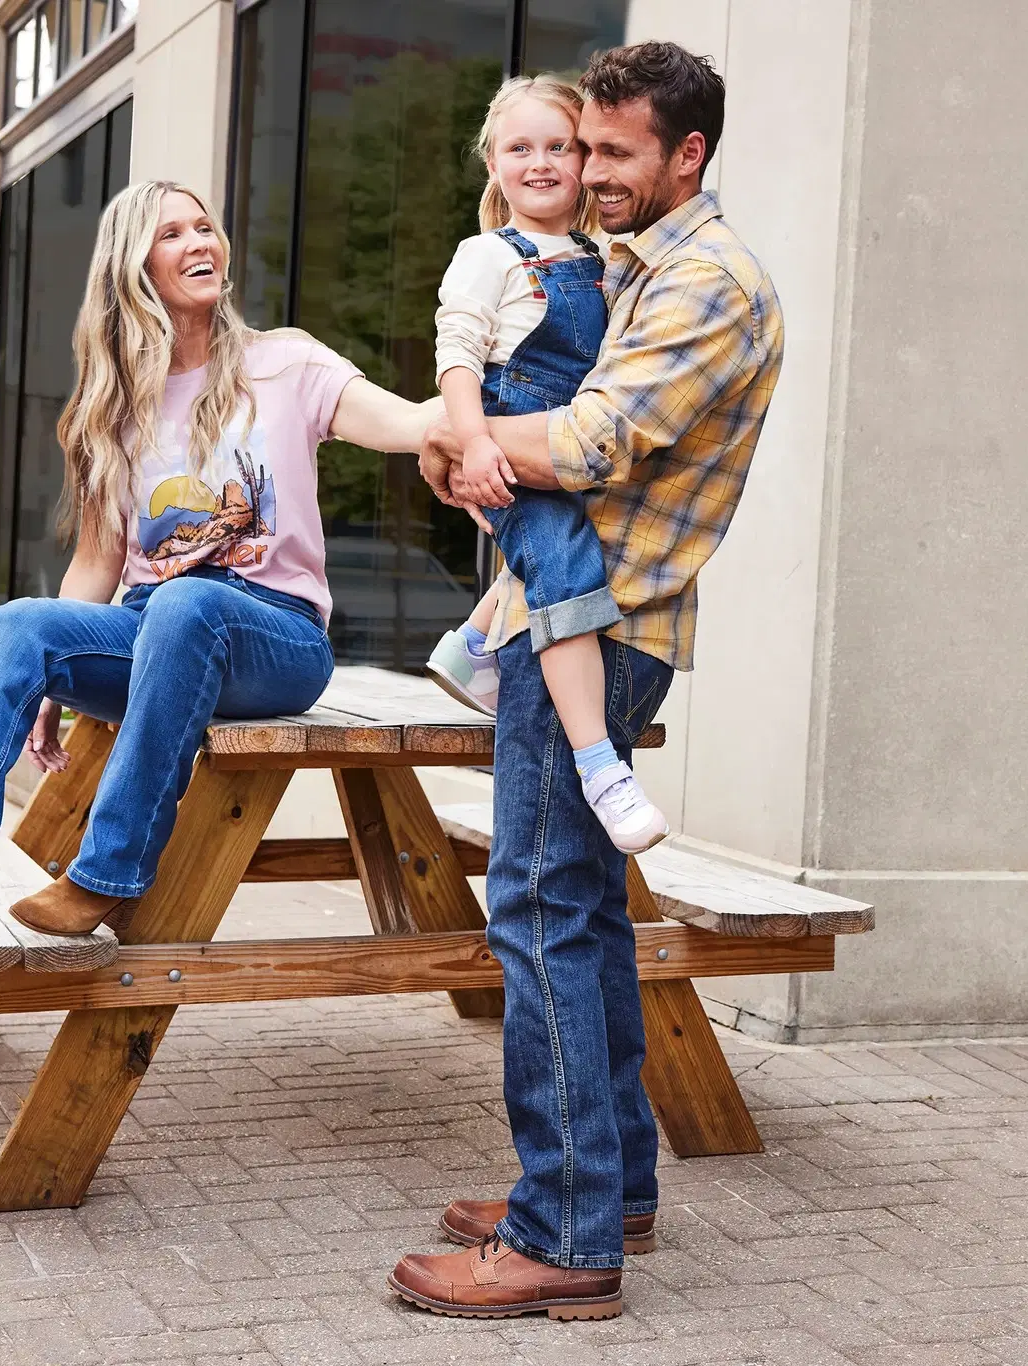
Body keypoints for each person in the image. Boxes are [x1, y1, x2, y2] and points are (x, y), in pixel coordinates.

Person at [386, 41, 783, 1321]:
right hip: (564, 616)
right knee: (583, 913)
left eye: (615, 153)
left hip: (604, 631)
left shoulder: (709, 282)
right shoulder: (627, 261)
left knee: (542, 910)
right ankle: (604, 1187)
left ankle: (563, 1234)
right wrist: (472, 439)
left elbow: (591, 443)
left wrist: (453, 440)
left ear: (688, 156)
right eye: (583, 147)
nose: (590, 173)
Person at [0, 180, 438, 954]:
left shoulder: (285, 362)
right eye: (173, 235)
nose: (201, 244)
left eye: (205, 228)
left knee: (189, 605)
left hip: (276, 637)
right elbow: (98, 559)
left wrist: (482, 419)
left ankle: (104, 875)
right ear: (134, 268)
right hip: (154, 629)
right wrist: (50, 679)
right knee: (19, 624)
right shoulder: (113, 406)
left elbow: (407, 423)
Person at [423, 74, 668, 855]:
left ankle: (471, 646)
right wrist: (477, 441)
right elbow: (457, 357)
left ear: (585, 159)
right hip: (506, 441)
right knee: (564, 563)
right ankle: (601, 766)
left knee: (562, 545)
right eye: (518, 148)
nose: (540, 162)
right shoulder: (487, 255)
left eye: (558, 146)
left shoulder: (604, 259)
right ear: (492, 165)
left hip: (569, 445)